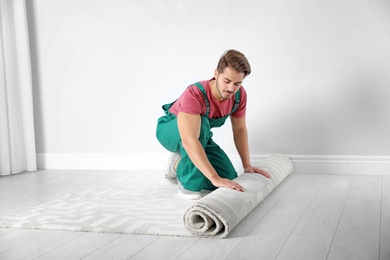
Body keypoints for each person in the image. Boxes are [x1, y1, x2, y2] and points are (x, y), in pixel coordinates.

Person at [156, 49, 270, 199]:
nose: (231, 89)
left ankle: (182, 163)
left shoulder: (239, 96)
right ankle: (182, 176)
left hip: (200, 135)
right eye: (227, 81)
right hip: (171, 130)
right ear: (216, 74)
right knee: (202, 124)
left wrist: (247, 165)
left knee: (229, 177)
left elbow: (240, 129)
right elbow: (189, 140)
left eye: (237, 83)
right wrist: (214, 177)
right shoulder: (195, 93)